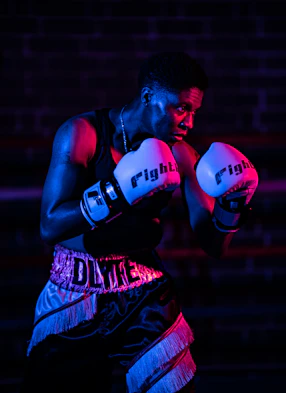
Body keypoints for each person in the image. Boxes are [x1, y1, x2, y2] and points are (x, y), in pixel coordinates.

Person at [19, 51, 258, 393]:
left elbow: (214, 244)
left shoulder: (180, 153)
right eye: (181, 108)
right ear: (148, 96)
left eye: (194, 112)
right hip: (75, 293)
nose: (189, 122)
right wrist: (117, 191)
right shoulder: (83, 134)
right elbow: (49, 226)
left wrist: (233, 205)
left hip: (143, 293)